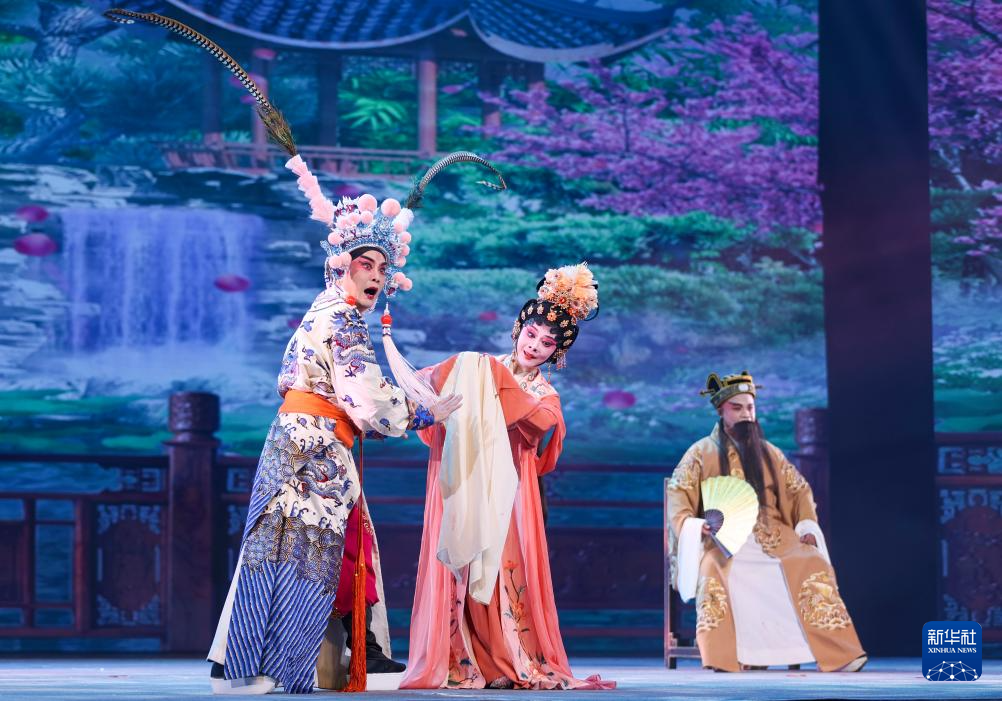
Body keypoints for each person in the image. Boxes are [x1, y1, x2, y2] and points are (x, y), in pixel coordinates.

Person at [206, 180, 463, 694]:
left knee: (314, 545)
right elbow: (365, 396)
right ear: (341, 266)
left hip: (300, 441)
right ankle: (267, 663)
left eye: (384, 269)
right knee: (311, 549)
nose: (377, 276)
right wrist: (424, 412)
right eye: (367, 264)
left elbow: (313, 386)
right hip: (315, 449)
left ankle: (304, 656)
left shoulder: (320, 310)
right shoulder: (342, 319)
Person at [400, 263, 613, 690]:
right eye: (531, 334)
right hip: (468, 480)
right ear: (518, 330)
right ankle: (460, 658)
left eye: (548, 343)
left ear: (557, 353)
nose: (535, 346)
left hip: (509, 493)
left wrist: (491, 382)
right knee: (461, 566)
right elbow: (429, 384)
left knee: (498, 569)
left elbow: (537, 423)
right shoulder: (478, 370)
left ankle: (503, 660)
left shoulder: (542, 394)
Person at [665, 371, 867, 673]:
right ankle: (732, 656)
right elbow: (678, 494)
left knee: (811, 562)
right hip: (723, 540)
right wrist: (694, 526)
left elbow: (799, 492)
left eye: (750, 407)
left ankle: (837, 653)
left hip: (775, 537)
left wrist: (805, 526)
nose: (746, 414)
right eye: (737, 408)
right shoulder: (699, 453)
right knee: (714, 569)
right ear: (721, 411)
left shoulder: (771, 454)